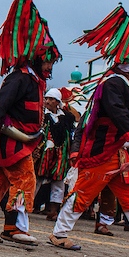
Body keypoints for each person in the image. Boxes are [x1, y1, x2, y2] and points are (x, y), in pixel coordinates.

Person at [49, 6, 129, 257]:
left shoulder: (122, 84)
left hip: (117, 152)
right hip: (101, 151)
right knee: (83, 193)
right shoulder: (114, 83)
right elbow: (116, 113)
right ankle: (58, 234)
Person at [0, 0, 58, 245]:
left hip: (20, 141)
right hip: (11, 140)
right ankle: (14, 226)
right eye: (48, 59)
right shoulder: (20, 78)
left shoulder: (34, 80)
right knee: (25, 180)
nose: (51, 66)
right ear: (38, 57)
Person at [36, 87, 78, 220]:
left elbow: (72, 133)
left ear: (57, 101)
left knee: (58, 182)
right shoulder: (42, 115)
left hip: (61, 152)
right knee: (36, 179)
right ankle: (25, 205)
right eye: (47, 98)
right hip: (44, 153)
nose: (48, 101)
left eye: (51, 99)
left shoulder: (67, 117)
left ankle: (53, 211)